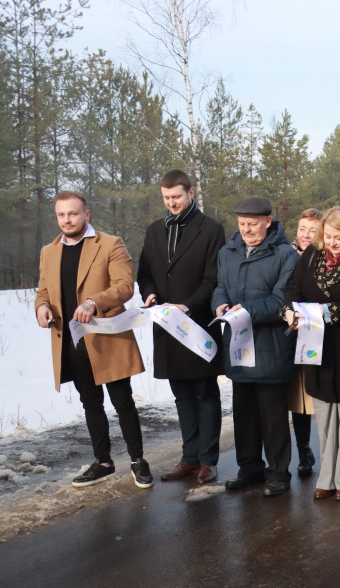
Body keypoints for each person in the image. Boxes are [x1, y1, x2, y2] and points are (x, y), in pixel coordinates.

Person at [35, 191, 151, 489]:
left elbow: (125, 286)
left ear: (87, 215)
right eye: (61, 215)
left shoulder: (110, 244)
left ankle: (138, 461)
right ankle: (103, 462)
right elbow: (43, 290)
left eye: (72, 214)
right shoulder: (49, 251)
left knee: (123, 401)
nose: (66, 219)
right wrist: (41, 307)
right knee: (90, 403)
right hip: (71, 341)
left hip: (107, 336)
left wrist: (92, 303)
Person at [138, 170, 226, 486]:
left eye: (177, 196)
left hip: (198, 325)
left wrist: (187, 306)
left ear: (190, 192)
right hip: (165, 327)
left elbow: (213, 279)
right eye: (166, 198)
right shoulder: (154, 231)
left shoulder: (211, 229)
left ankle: (208, 461)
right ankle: (189, 458)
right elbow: (144, 273)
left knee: (205, 393)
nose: (172, 203)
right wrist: (148, 294)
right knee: (181, 396)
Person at [284, 206, 340, 501]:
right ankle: (328, 476)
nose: (332, 242)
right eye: (328, 236)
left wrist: (325, 311)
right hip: (316, 347)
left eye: (339, 237)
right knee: (325, 418)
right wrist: (289, 310)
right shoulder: (312, 255)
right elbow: (293, 288)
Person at [212, 196, 298, 497]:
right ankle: (249, 468)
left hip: (270, 347)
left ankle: (278, 472)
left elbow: (280, 302)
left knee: (273, 417)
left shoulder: (286, 255)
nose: (246, 229)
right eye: (242, 224)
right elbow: (219, 285)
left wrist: (243, 309)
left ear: (267, 222)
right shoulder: (227, 252)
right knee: (243, 414)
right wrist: (220, 304)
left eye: (252, 224)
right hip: (238, 345)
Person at [287, 208, 323, 478]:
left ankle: (331, 454)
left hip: (321, 336)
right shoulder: (286, 256)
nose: (306, 235)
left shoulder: (326, 258)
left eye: (312, 230)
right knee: (298, 400)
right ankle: (304, 449)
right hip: (292, 338)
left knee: (319, 399)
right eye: (302, 229)